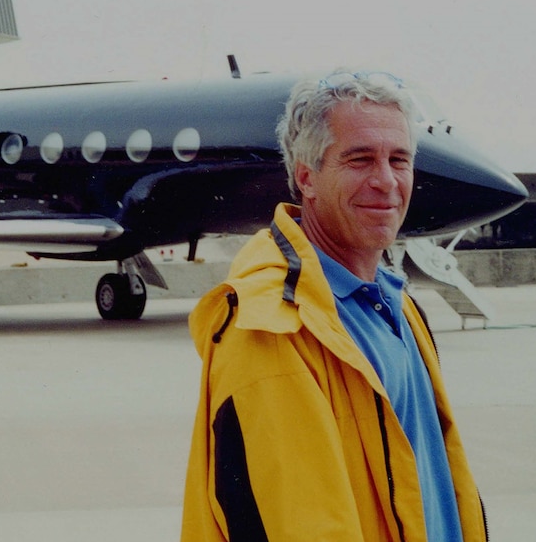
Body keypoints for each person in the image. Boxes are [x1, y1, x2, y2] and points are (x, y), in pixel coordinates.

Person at [180, 72, 487, 541]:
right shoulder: (269, 325)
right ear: (307, 176)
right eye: (360, 159)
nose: (386, 181)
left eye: (398, 159)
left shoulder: (401, 308)